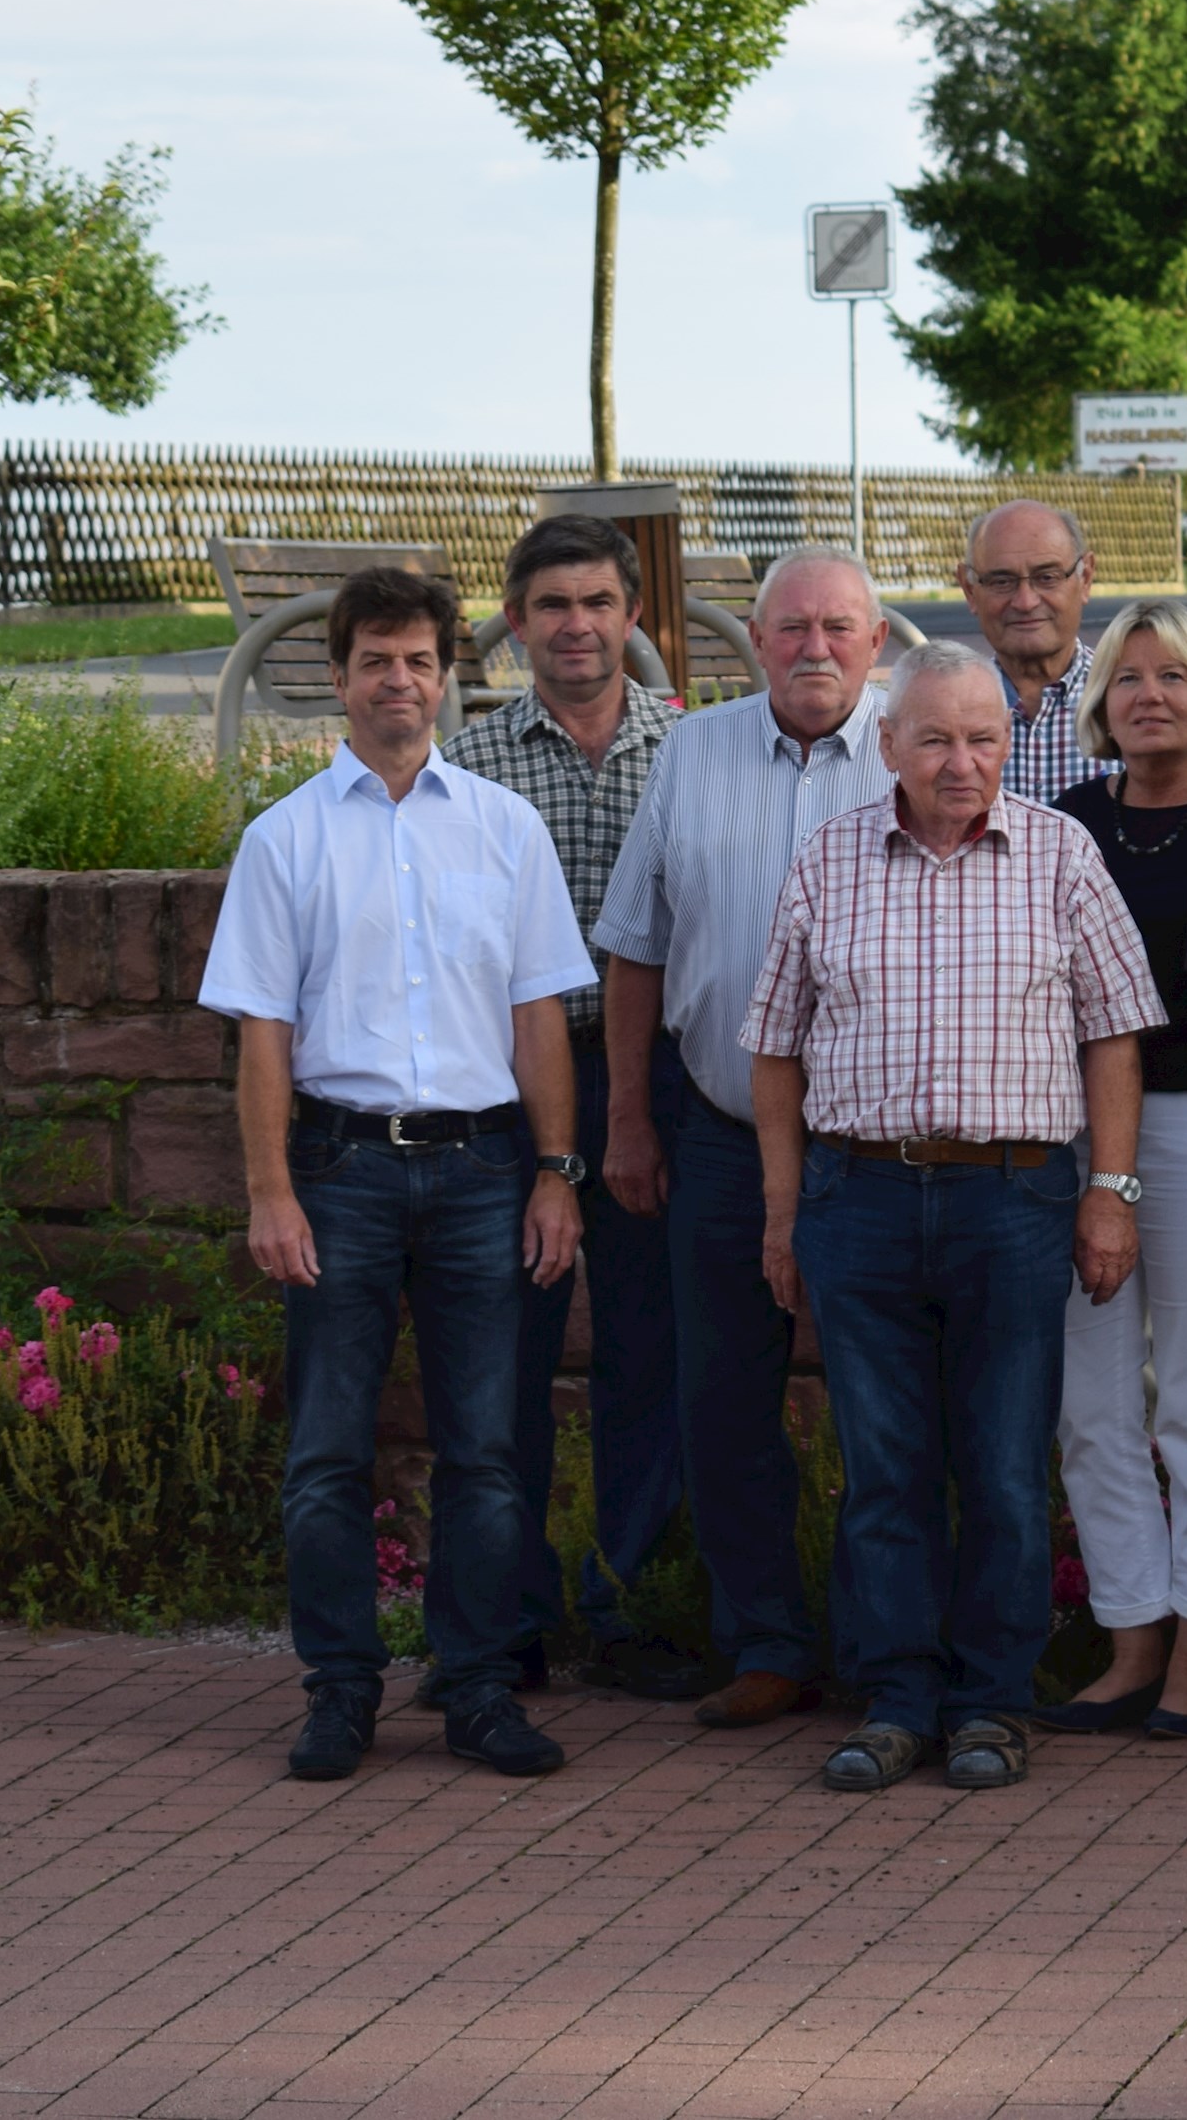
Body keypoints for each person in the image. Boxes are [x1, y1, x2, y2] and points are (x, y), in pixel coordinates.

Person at [201, 564, 595, 1785]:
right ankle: (339, 1689)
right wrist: (271, 1189)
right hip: (342, 1171)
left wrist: (555, 1172)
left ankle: (476, 1687)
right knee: (328, 1449)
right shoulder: (285, 839)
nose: (400, 681)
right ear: (339, 676)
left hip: (485, 1168)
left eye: (421, 660)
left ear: (447, 676)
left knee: (487, 1447)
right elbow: (262, 1031)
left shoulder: (503, 829)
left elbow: (540, 1016)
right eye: (376, 660)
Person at [746, 641, 1159, 1794]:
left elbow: (1114, 1034)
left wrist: (1109, 1192)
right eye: (934, 738)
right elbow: (773, 1048)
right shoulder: (829, 857)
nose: (961, 760)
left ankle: (990, 1702)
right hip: (858, 1198)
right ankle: (897, 1699)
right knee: (884, 1467)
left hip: (1014, 1196)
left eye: (981, 737)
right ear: (888, 746)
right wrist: (785, 1210)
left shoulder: (1061, 854)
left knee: (1004, 1464)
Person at [591, 544, 894, 1730]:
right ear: (755, 641)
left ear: (876, 642)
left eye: (838, 627)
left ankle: (884, 1648)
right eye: (791, 627)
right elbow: (636, 948)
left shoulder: (926, 747)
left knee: (890, 1404)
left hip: (879, 1147)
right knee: (722, 1400)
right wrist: (626, 1116)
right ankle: (765, 1641)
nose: (814, 647)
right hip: (716, 1130)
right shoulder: (690, 751)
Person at [437, 513, 692, 1703]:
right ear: (514, 622)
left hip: (651, 1082)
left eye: (597, 602)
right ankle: (508, 1615)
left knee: (647, 1350)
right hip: (510, 1088)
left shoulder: (690, 751)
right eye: (551, 606)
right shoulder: (471, 769)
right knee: (505, 1358)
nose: (577, 626)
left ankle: (629, 1599)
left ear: (632, 616)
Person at [1035, 598, 1187, 1740]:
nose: (1150, 696)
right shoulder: (1063, 823)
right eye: (1128, 679)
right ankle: (1130, 1635)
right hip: (1079, 1129)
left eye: (1173, 676)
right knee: (1092, 1402)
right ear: (1101, 704)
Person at [958, 498, 1102, 805]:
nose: (1025, 602)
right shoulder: (945, 712)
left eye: (1047, 577)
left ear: (1085, 578)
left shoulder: (1138, 704)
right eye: (1001, 581)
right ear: (970, 590)